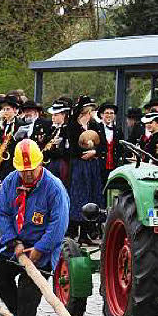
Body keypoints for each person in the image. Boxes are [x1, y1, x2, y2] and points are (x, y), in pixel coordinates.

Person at [0, 139, 69, 316]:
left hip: (42, 247)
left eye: (31, 170)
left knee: (28, 292)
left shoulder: (54, 188)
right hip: (17, 243)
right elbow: (3, 214)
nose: (28, 175)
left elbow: (58, 224)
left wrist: (40, 249)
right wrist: (14, 242)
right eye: (23, 171)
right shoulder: (10, 182)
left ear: (40, 164)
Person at [65, 96, 104, 243]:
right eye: (89, 112)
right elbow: (73, 147)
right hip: (79, 165)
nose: (90, 115)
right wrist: (83, 154)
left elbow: (102, 144)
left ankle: (87, 232)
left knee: (91, 195)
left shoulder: (94, 125)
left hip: (92, 165)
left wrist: (95, 152)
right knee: (79, 196)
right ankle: (76, 230)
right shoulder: (73, 126)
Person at [97, 102, 123, 177]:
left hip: (114, 166)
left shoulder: (118, 129)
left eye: (111, 113)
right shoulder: (96, 128)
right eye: (107, 113)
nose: (109, 115)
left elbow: (121, 148)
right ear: (102, 115)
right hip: (99, 166)